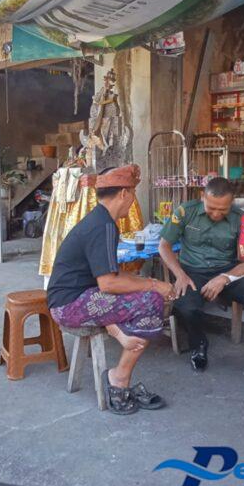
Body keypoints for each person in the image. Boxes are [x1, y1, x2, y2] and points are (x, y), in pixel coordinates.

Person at [47, 165, 175, 415]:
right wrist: (154, 285)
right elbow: (108, 284)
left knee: (141, 292)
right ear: (124, 193)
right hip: (69, 305)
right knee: (152, 302)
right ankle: (119, 378)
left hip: (77, 297)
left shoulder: (101, 220)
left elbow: (110, 275)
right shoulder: (103, 226)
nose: (133, 199)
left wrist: (145, 281)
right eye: (133, 193)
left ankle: (121, 336)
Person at [158, 178, 244, 391]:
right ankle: (198, 344)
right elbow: (164, 246)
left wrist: (224, 277)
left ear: (231, 202)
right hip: (192, 273)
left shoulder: (242, 219)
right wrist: (179, 275)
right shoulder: (185, 212)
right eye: (211, 208)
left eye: (222, 210)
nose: (216, 214)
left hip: (227, 273)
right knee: (185, 305)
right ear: (202, 198)